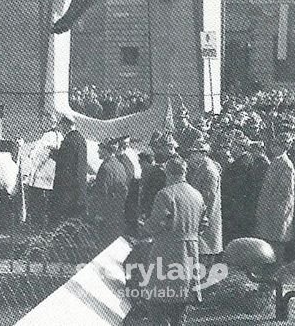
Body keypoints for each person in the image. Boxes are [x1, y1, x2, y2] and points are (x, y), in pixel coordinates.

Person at [141, 156, 206, 326]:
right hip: (190, 250)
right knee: (181, 300)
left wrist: (144, 227)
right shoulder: (197, 195)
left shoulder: (165, 194)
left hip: (167, 249)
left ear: (168, 172)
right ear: (185, 172)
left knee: (158, 298)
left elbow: (158, 223)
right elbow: (203, 223)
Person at [222, 130, 269, 244]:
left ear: (240, 147)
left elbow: (237, 186)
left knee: (236, 236)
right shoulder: (242, 160)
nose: (230, 148)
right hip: (237, 205)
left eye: (233, 145)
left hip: (238, 206)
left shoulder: (243, 162)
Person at [255, 131, 295, 264]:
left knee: (277, 242)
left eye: (276, 145)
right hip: (270, 209)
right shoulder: (276, 162)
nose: (272, 147)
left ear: (283, 147)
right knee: (269, 241)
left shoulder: (286, 165)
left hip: (277, 211)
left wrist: (269, 207)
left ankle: (275, 271)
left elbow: (283, 191)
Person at [186, 137, 223, 268]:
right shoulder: (203, 167)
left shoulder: (209, 170)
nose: (192, 155)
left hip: (206, 217)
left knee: (204, 252)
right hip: (202, 215)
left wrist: (201, 217)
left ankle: (204, 283)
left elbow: (208, 198)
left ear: (203, 154)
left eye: (195, 152)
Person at [49, 112, 88, 225]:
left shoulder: (69, 140)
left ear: (66, 125)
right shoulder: (80, 138)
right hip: (78, 185)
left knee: (64, 221)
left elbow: (66, 163)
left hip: (68, 188)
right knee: (76, 221)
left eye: (62, 126)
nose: (61, 129)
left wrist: (53, 154)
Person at [20, 114, 59, 225]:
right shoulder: (58, 135)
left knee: (37, 202)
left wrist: (29, 152)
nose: (42, 124)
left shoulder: (47, 136)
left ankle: (34, 223)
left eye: (44, 122)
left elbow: (34, 152)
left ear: (51, 123)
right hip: (51, 176)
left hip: (41, 177)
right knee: (46, 201)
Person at [90, 138, 129, 243]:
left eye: (100, 148)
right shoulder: (120, 165)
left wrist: (99, 214)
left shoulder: (105, 167)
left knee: (101, 245)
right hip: (117, 212)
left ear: (106, 150)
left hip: (106, 214)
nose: (98, 151)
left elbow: (102, 193)